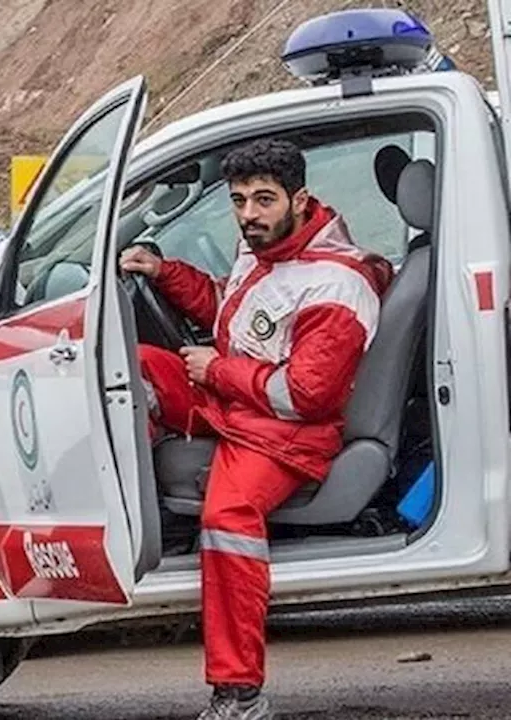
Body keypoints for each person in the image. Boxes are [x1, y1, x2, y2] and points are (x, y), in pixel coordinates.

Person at [119, 138, 393, 720]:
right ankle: (124, 527)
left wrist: (216, 370)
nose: (248, 214)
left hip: (285, 434)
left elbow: (306, 396)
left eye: (263, 200)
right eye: (238, 200)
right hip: (236, 404)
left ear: (300, 199)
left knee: (227, 520)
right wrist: (164, 272)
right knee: (130, 365)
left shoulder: (335, 284)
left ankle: (239, 693)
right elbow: (235, 308)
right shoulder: (266, 251)